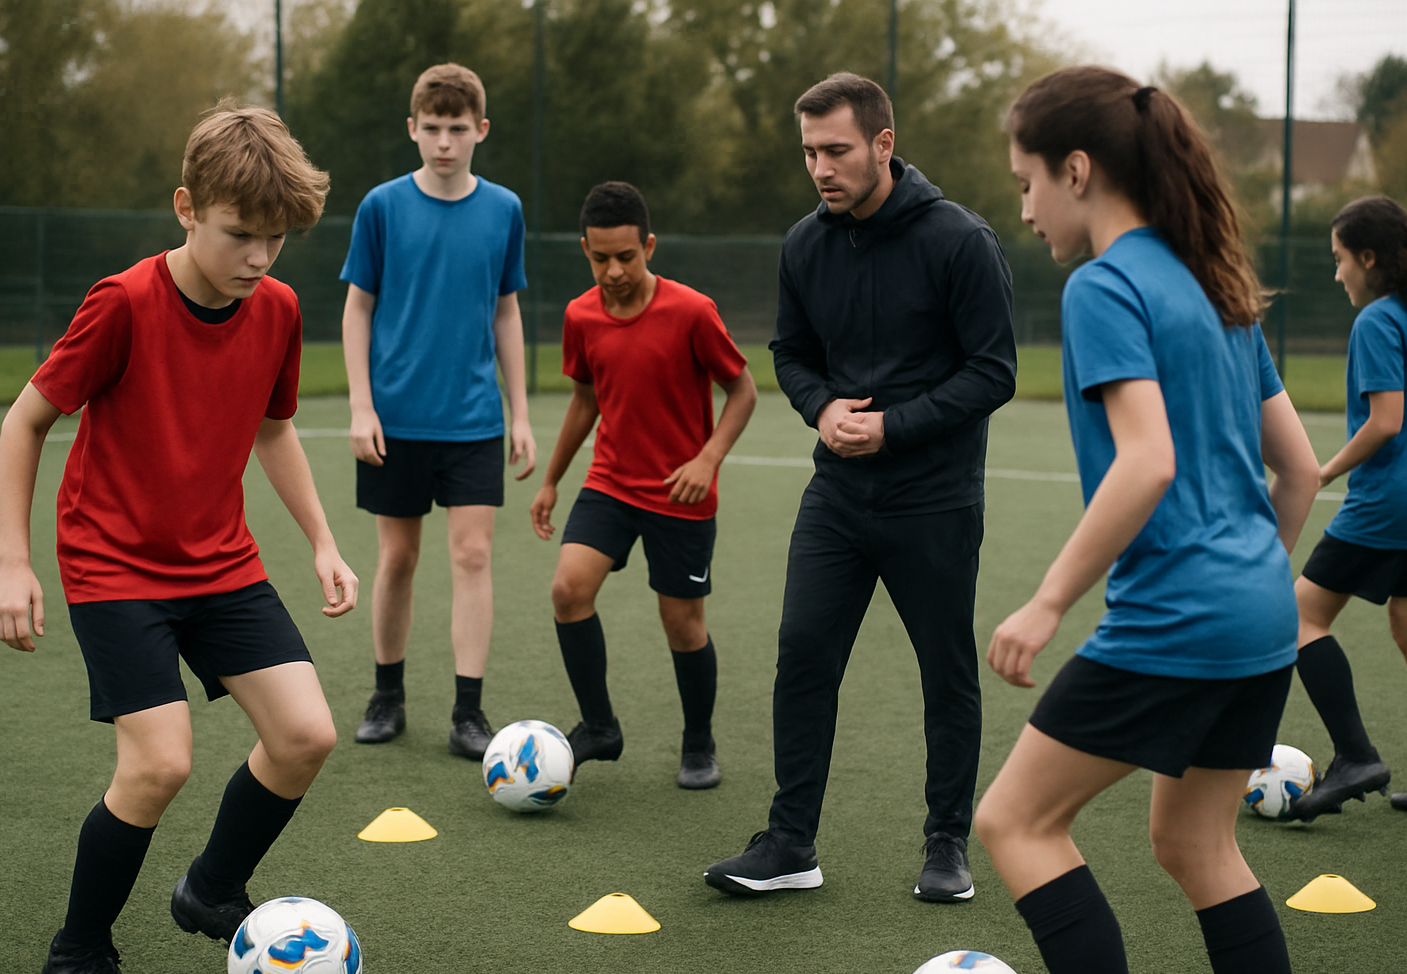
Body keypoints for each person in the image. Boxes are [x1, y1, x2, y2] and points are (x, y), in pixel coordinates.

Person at [0, 105, 357, 974]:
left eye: (276, 239)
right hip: (113, 564)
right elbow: (27, 420)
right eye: (240, 235)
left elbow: (273, 428)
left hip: (220, 562)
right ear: (187, 208)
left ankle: (210, 889)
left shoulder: (277, 309)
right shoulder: (123, 303)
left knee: (306, 736)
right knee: (159, 764)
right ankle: (76, 957)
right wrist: (11, 561)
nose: (259, 259)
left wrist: (321, 540)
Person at [974, 67, 1321, 974]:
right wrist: (1249, 579)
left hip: (1180, 618)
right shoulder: (1215, 282)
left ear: (1077, 170)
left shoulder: (1105, 285)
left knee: (1015, 822)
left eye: (1027, 183)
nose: (1025, 209)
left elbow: (1148, 461)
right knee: (1196, 846)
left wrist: (1047, 601)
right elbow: (1299, 470)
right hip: (1263, 616)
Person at [704, 72, 1017, 901]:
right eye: (809, 152)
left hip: (935, 500)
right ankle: (790, 845)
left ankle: (947, 844)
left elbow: (994, 371)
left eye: (836, 150)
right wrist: (820, 408)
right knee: (803, 653)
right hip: (838, 498)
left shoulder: (961, 240)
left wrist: (893, 426)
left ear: (883, 144)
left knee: (944, 671)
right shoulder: (804, 244)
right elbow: (790, 352)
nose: (820, 168)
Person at [530, 182, 757, 788]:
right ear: (585, 250)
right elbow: (585, 402)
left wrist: (707, 460)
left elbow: (742, 391)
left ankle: (698, 742)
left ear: (649, 246)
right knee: (568, 590)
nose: (614, 271)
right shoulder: (580, 315)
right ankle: (600, 726)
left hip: (681, 493)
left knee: (682, 623)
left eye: (626, 257)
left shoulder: (692, 311)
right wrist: (551, 481)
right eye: (601, 257)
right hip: (610, 482)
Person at [341, 63, 536, 758]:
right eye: (432, 128)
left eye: (457, 128)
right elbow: (357, 308)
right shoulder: (381, 207)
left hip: (474, 420)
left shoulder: (504, 210)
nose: (445, 142)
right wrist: (361, 405)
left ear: (481, 129)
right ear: (412, 129)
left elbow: (506, 312)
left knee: (473, 555)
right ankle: (387, 696)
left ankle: (468, 713)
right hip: (395, 419)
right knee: (397, 558)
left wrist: (519, 412)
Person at [1288, 196, 1407, 823]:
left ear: (1368, 258)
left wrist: (1323, 470)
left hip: (1391, 502)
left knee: (1298, 616)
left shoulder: (1378, 322)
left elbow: (1386, 421)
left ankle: (1356, 755)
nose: (1337, 274)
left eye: (1339, 259)